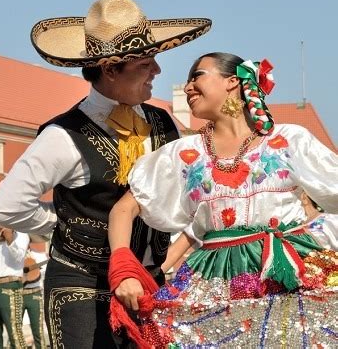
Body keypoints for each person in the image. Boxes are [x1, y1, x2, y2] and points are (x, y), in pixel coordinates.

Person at [0, 0, 212, 348]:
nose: (157, 71)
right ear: (110, 69)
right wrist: (61, 223)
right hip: (83, 289)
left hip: (149, 285)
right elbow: (6, 206)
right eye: (146, 63)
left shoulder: (163, 124)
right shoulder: (62, 136)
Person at [108, 52, 338, 348]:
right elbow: (123, 208)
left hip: (286, 270)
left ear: (233, 82)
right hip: (213, 278)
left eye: (197, 76)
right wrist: (123, 267)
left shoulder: (287, 140)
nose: (188, 86)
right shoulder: (183, 154)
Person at [22, 249, 48, 349]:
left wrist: (34, 264)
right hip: (19, 293)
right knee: (14, 329)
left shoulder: (40, 256)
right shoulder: (14, 255)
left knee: (38, 331)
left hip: (35, 294)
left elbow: (44, 273)